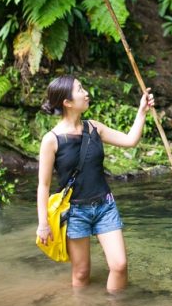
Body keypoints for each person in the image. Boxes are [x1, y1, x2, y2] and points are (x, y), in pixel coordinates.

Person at [36, 74, 154, 292]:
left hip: (104, 206)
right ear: (67, 102)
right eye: (80, 90)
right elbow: (43, 186)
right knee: (81, 274)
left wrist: (142, 112)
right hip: (75, 212)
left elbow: (129, 141)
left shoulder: (94, 128)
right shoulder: (51, 140)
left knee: (119, 265)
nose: (86, 93)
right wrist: (43, 224)